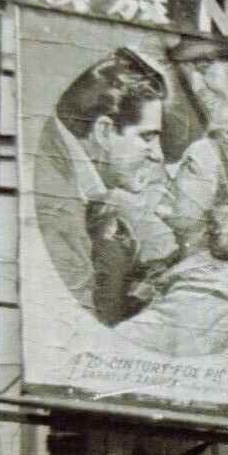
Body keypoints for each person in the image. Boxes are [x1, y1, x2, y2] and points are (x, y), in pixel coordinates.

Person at [35, 48, 167, 316]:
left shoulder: (57, 158)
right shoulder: (54, 203)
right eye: (147, 137)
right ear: (104, 131)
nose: (158, 155)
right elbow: (73, 322)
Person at [114, 157, 228, 356]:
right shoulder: (178, 268)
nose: (170, 172)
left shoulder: (217, 288)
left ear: (223, 204)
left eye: (190, 167)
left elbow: (111, 350)